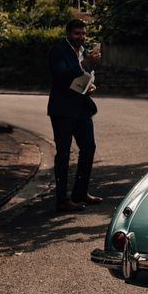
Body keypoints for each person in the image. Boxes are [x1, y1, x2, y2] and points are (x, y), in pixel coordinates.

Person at [48, 19, 102, 212]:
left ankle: (80, 193)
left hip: (82, 108)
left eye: (83, 33)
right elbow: (61, 75)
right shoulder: (58, 51)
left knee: (88, 148)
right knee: (63, 153)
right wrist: (84, 64)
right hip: (62, 110)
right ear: (68, 33)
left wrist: (90, 86)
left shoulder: (85, 51)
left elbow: (85, 76)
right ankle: (62, 200)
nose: (81, 37)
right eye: (77, 33)